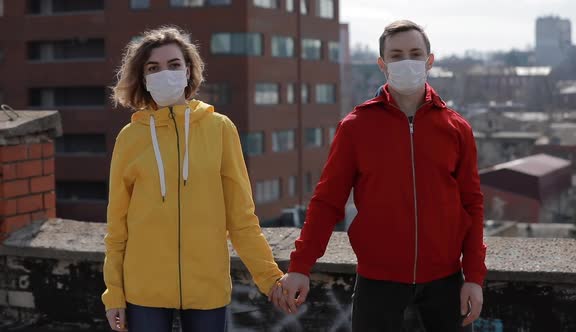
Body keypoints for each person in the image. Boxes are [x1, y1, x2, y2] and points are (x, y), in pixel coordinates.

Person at [271, 20, 487, 331]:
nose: (406, 62)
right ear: (382, 64)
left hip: (446, 281)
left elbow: (472, 204)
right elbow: (327, 201)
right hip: (378, 280)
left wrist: (475, 277)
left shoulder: (456, 128)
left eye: (415, 54)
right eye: (396, 56)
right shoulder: (356, 126)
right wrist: (300, 266)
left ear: (429, 61)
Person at [102, 26, 283, 332]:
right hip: (143, 289)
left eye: (174, 65)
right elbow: (117, 226)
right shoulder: (130, 138)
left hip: (207, 288)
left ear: (188, 71)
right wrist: (114, 294)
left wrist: (271, 279)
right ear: (143, 78)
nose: (165, 73)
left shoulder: (220, 129)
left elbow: (241, 218)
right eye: (153, 68)